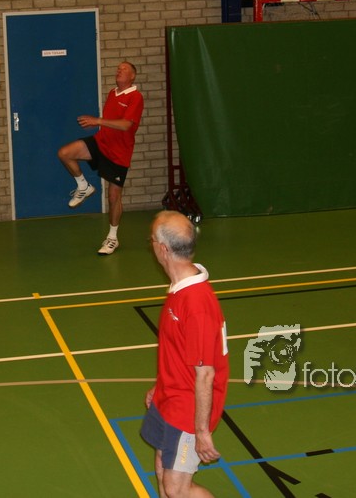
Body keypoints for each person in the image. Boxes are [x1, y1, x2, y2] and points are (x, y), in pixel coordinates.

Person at [141, 210, 229, 498]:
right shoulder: (180, 286)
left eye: (151, 240)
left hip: (187, 408)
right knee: (161, 468)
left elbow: (205, 374)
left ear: (162, 249)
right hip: (169, 395)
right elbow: (178, 349)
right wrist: (161, 385)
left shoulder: (196, 303)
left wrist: (201, 431)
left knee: (176, 489)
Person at [56, 61, 143, 255]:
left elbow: (126, 125)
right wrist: (98, 125)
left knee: (113, 197)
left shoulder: (136, 97)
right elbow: (110, 123)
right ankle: (83, 186)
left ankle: (112, 238)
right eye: (118, 68)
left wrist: (97, 120)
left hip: (119, 153)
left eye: (124, 69)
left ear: (132, 76)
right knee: (65, 153)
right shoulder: (113, 93)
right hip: (101, 143)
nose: (119, 70)